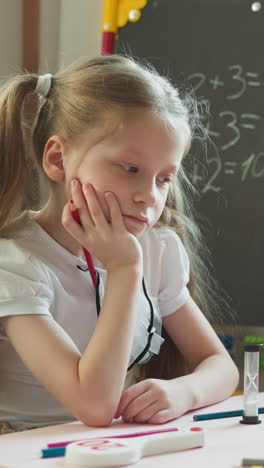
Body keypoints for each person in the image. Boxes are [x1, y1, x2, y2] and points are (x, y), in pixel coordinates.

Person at [0, 55, 239, 433]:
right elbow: (94, 406)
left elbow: (219, 365)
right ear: (58, 159)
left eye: (163, 179)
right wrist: (126, 270)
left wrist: (184, 393)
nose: (149, 196)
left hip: (120, 449)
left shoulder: (157, 249)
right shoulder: (14, 263)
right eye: (130, 169)